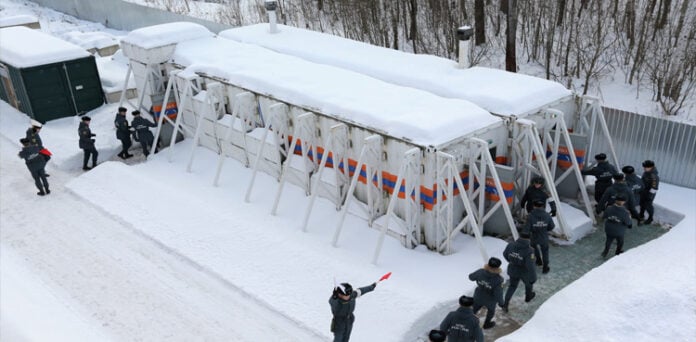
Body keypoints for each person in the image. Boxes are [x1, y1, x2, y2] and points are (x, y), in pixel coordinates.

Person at [502, 231, 537, 311]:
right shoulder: (529, 250)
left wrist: (512, 261)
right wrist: (533, 278)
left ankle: (505, 304)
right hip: (524, 271)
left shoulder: (510, 245)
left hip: (512, 269)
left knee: (512, 286)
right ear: (529, 239)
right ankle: (528, 297)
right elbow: (530, 266)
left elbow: (505, 254)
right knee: (528, 284)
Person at [468, 257, 504, 329]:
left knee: (474, 309)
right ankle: (487, 324)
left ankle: (468, 321)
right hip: (490, 300)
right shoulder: (498, 279)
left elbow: (471, 277)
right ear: (498, 267)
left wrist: (481, 280)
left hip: (478, 296)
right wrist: (501, 303)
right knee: (491, 311)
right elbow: (498, 294)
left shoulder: (480, 271)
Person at [525, 199, 555, 274]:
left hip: (534, 236)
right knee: (545, 252)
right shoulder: (547, 215)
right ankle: (545, 267)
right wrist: (545, 229)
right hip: (544, 236)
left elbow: (527, 229)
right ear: (542, 206)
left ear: (534, 206)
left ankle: (538, 260)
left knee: (534, 247)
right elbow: (552, 226)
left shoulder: (530, 216)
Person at [639, 160, 659, 225]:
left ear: (651, 167)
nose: (644, 168)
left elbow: (654, 187)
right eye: (644, 167)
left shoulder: (654, 176)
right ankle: (641, 215)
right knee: (642, 203)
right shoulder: (646, 172)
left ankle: (650, 218)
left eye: (646, 167)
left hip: (649, 193)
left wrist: (650, 196)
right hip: (644, 191)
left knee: (648, 205)